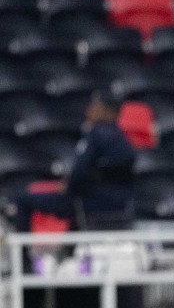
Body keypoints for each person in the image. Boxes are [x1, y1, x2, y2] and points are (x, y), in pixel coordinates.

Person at [3, 90, 136, 232]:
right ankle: (68, 250)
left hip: (86, 203)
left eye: (95, 106)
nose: (90, 110)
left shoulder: (96, 134)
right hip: (119, 206)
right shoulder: (123, 140)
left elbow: (80, 172)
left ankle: (22, 254)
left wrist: (68, 187)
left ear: (107, 111)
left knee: (22, 199)